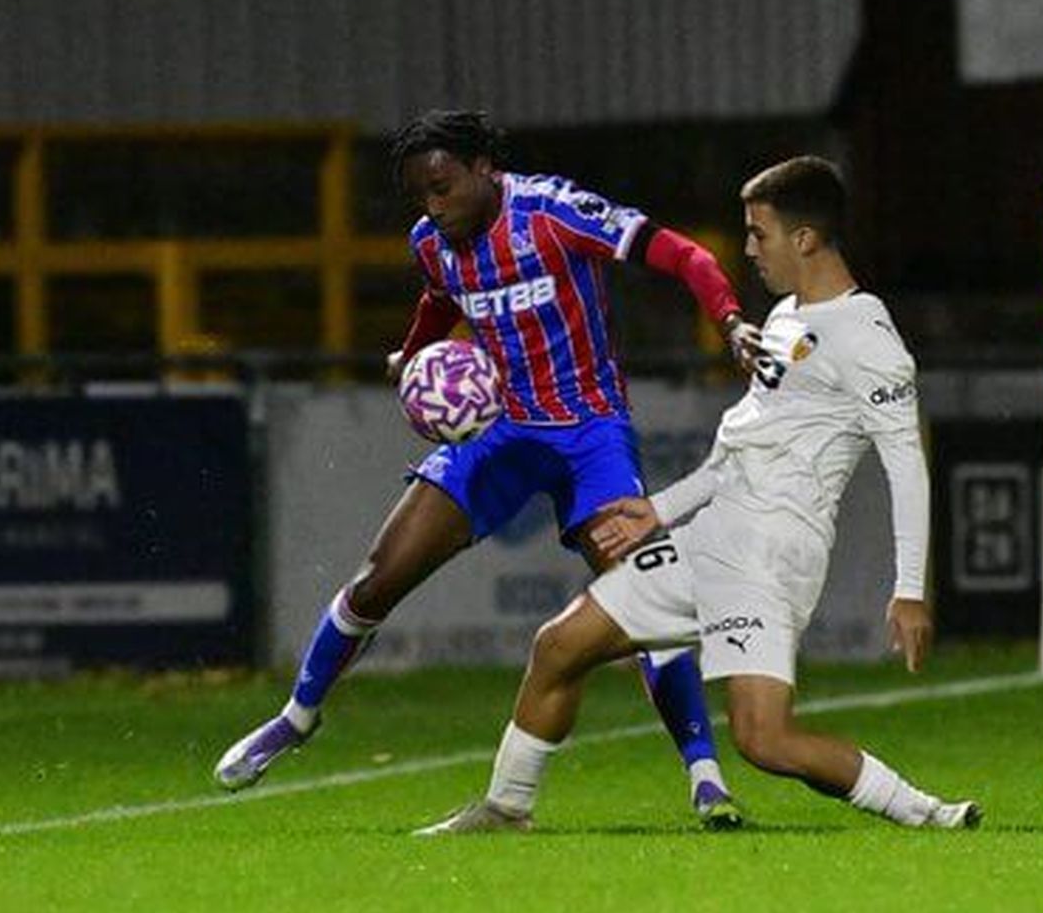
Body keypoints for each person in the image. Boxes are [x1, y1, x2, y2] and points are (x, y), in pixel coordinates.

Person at [214, 110, 761, 828]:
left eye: (441, 187)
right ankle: (297, 717)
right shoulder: (434, 242)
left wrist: (728, 320)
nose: (432, 206)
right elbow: (440, 300)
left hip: (588, 434)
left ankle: (705, 776)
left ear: (482, 168)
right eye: (420, 196)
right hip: (498, 432)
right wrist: (413, 353)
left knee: (641, 596)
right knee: (379, 575)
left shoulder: (555, 212)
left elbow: (682, 255)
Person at [415, 156, 979, 834]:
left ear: (804, 239)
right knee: (560, 645)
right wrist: (660, 509)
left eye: (758, 234)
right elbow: (735, 457)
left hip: (773, 555)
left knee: (763, 740)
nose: (747, 250)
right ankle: (507, 807)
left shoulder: (870, 340)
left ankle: (927, 812)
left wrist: (910, 588)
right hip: (710, 535)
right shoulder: (784, 320)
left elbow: (906, 465)